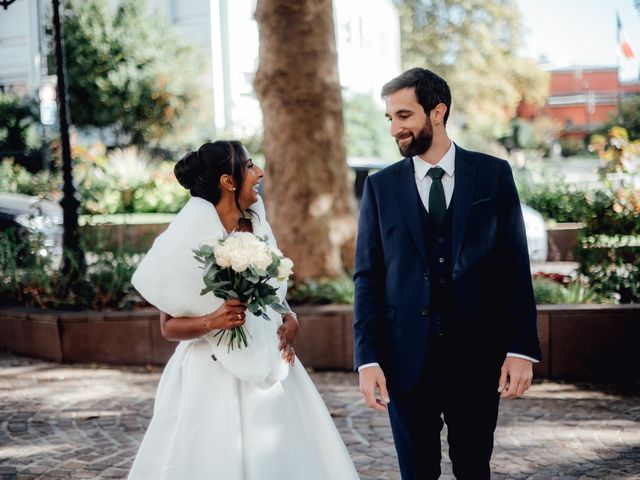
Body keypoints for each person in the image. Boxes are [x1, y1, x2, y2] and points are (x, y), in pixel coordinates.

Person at [128, 141, 359, 479]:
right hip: (210, 374)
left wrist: (290, 318)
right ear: (228, 181)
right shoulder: (185, 238)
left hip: (271, 368)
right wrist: (212, 320)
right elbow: (168, 327)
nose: (259, 173)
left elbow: (276, 296)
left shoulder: (258, 225)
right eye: (250, 166)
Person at [353, 68, 542, 479]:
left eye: (404, 116)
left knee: (474, 467)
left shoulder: (493, 175)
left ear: (437, 112)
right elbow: (367, 277)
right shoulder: (380, 187)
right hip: (405, 360)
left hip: (477, 356)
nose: (394, 129)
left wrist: (521, 348)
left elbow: (514, 266)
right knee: (417, 472)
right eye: (390, 118)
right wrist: (367, 358)